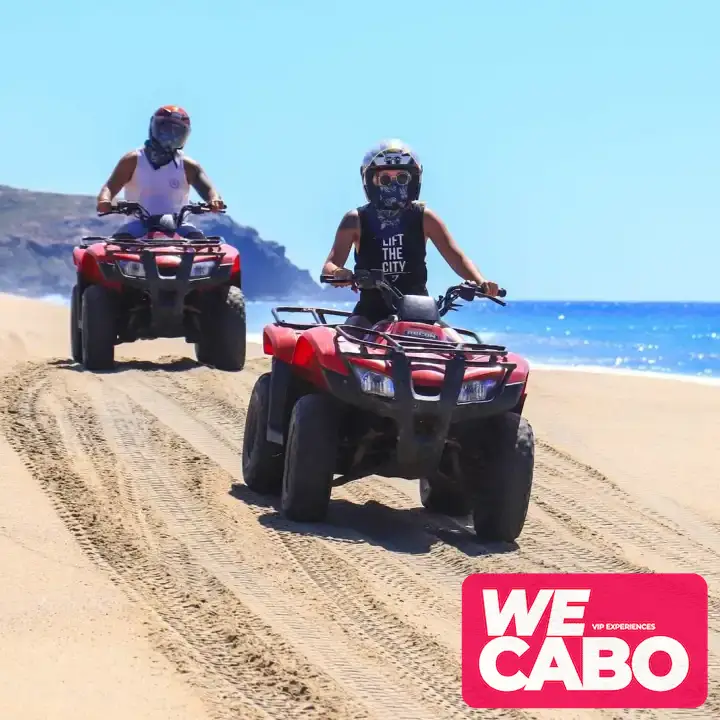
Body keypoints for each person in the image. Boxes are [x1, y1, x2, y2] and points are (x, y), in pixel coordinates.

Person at [321, 139, 501, 330]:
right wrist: (340, 273)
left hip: (420, 311)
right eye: (384, 179)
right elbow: (329, 266)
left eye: (401, 178)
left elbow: (457, 257)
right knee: (345, 343)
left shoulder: (425, 217)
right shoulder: (355, 219)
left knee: (458, 347)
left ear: (414, 180)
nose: (392, 185)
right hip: (369, 313)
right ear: (370, 181)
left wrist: (480, 282)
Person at [95, 105, 226, 239]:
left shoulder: (188, 165)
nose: (170, 136)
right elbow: (110, 186)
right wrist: (105, 200)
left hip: (178, 225)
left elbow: (208, 189)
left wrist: (214, 200)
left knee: (202, 245)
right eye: (166, 130)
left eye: (177, 132)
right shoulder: (133, 160)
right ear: (154, 127)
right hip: (138, 224)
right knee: (116, 248)